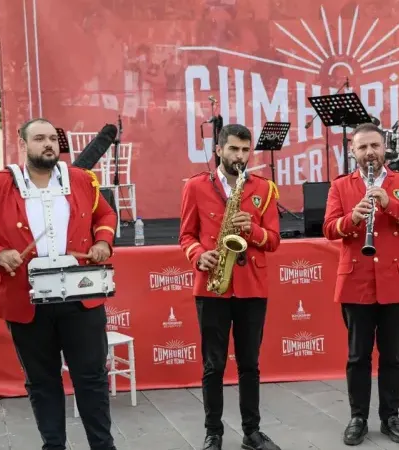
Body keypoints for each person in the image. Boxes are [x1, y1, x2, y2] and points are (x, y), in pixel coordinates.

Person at [0, 118, 118, 450]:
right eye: (39, 138)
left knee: (92, 378)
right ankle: (53, 446)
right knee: (42, 382)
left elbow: (105, 215)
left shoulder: (81, 180)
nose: (48, 144)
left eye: (52, 138)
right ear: (22, 145)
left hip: (80, 298)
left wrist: (103, 241)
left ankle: (103, 446)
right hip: (27, 300)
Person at [322, 123, 399, 446]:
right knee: (358, 356)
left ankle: (390, 416)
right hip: (357, 281)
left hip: (395, 280)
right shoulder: (341, 186)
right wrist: (353, 218)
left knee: (392, 356)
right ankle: (358, 417)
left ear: (385, 149)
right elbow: (329, 229)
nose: (370, 153)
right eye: (363, 147)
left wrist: (390, 204)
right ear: (352, 151)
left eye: (375, 146)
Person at [179, 124, 282, 450]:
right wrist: (198, 255)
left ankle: (252, 432)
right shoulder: (195, 186)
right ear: (219, 150)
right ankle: (214, 432)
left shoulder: (264, 188)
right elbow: (186, 236)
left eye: (245, 150)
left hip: (252, 286)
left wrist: (252, 229)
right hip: (212, 287)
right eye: (234, 149)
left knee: (250, 364)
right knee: (213, 366)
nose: (240, 156)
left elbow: (273, 240)